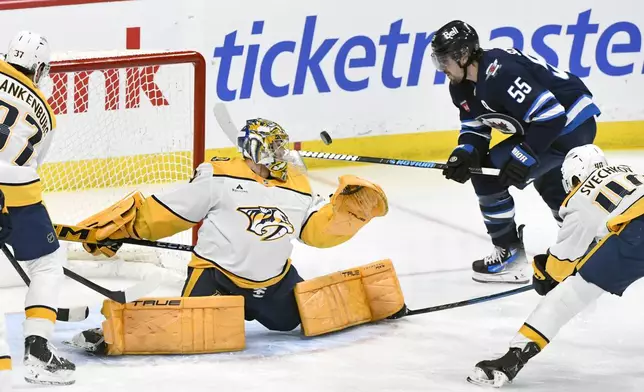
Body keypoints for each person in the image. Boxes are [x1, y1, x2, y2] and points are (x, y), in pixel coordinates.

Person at [68, 118, 405, 356]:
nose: (281, 153)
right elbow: (170, 210)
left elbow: (314, 231)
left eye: (282, 146)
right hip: (216, 277)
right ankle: (109, 332)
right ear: (255, 149)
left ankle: (375, 301)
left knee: (304, 319)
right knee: (186, 330)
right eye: (274, 147)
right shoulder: (218, 175)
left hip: (274, 282)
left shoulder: (297, 184)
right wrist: (123, 230)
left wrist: (345, 212)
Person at [431, 20, 600, 283]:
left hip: (570, 125)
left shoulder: (500, 73)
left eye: (444, 60)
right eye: (437, 60)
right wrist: (464, 153)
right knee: (548, 180)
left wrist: (524, 154)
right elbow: (475, 128)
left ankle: (510, 256)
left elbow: (551, 116)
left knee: (487, 176)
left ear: (463, 56)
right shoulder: (460, 86)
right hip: (547, 126)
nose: (441, 68)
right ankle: (583, 248)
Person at [467, 144, 644, 387]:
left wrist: (544, 274)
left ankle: (513, 358)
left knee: (569, 294)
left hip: (637, 235)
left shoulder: (580, 196)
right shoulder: (628, 172)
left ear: (574, 177)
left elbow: (561, 266)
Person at [0, 31, 75, 386]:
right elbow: (34, 161)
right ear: (39, 67)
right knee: (46, 264)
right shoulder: (46, 112)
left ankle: (2, 363)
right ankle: (38, 349)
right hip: (18, 192)